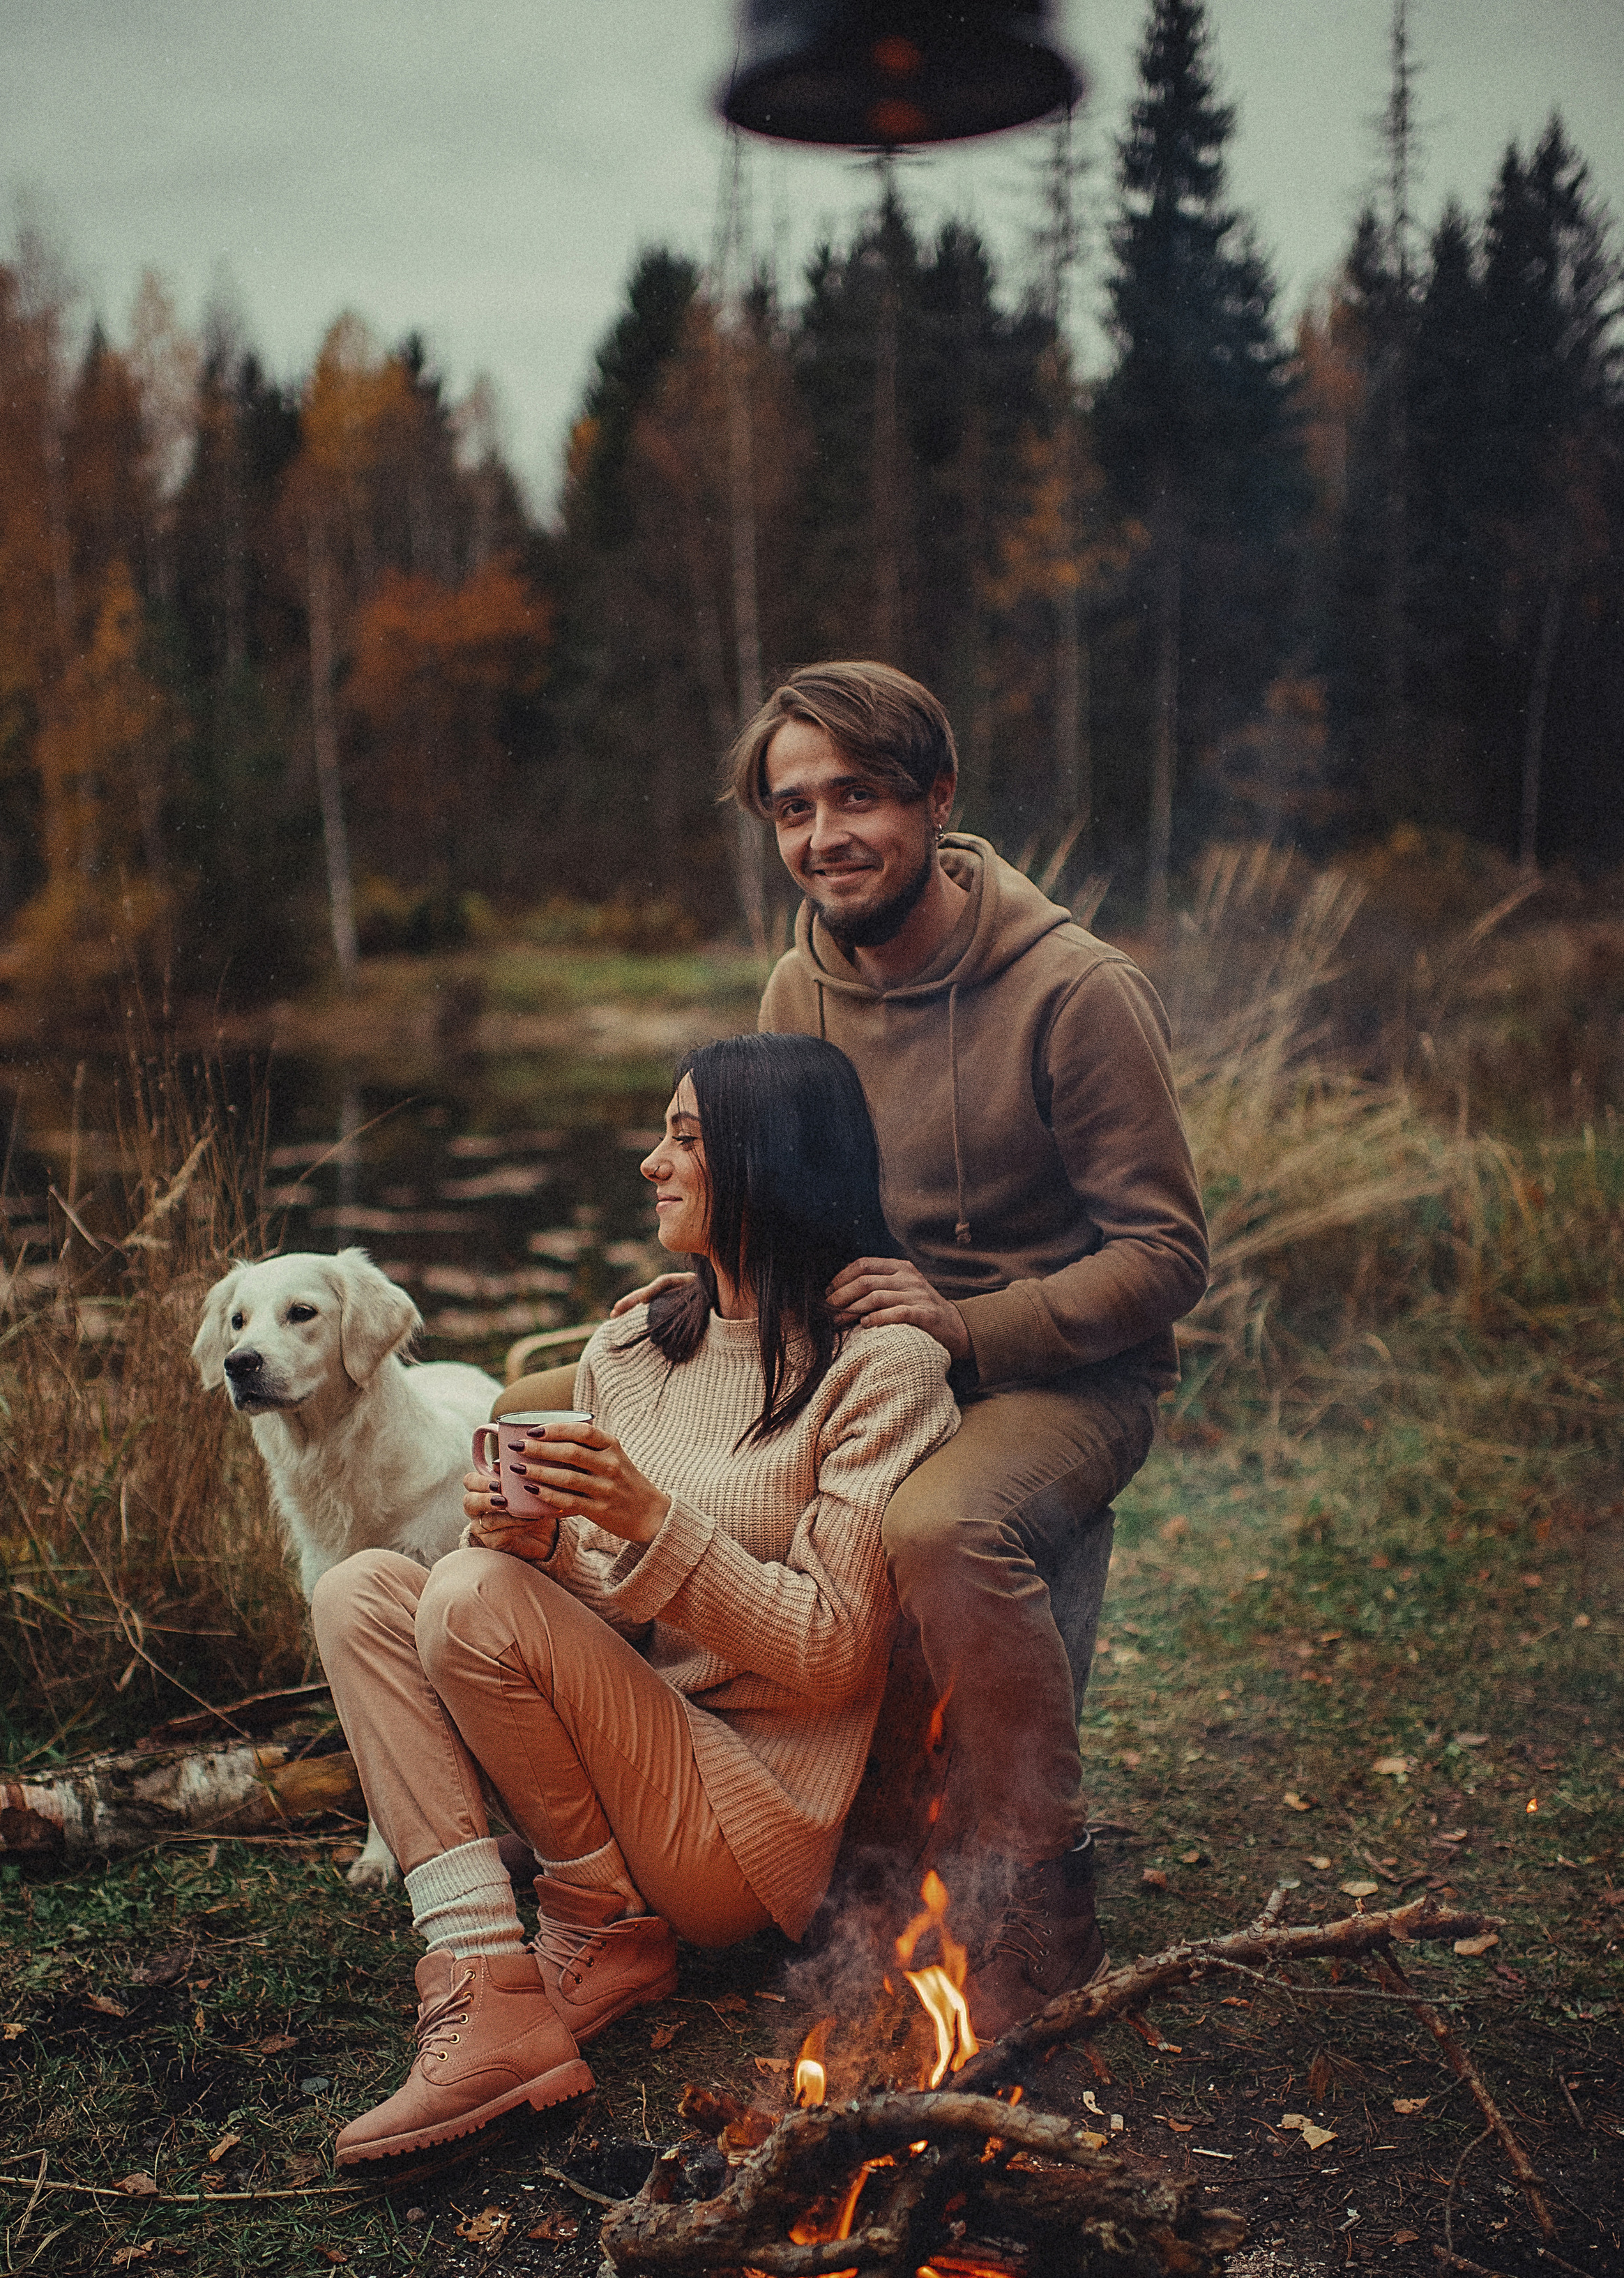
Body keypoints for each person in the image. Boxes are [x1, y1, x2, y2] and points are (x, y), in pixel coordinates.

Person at [311, 1032, 958, 2163]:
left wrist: (651, 1518)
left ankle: (594, 1926)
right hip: (621, 1765)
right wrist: (548, 1548)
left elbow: (835, 1651)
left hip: (743, 1820)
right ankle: (482, 1971)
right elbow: (612, 1618)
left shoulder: (881, 1369)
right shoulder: (633, 1342)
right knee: (363, 1587)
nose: (652, 1163)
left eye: (686, 1138)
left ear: (771, 1160)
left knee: (466, 1594)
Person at [731, 660, 1210, 2033]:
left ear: (935, 799)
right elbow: (781, 1216)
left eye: (858, 796)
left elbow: (1166, 1260)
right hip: (875, 1360)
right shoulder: (793, 989)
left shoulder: (1074, 992)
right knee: (562, 1418)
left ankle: (1041, 1891)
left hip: (1064, 1374)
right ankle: (671, 1860)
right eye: (792, 808)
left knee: (938, 1524)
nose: (823, 837)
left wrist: (965, 1325)